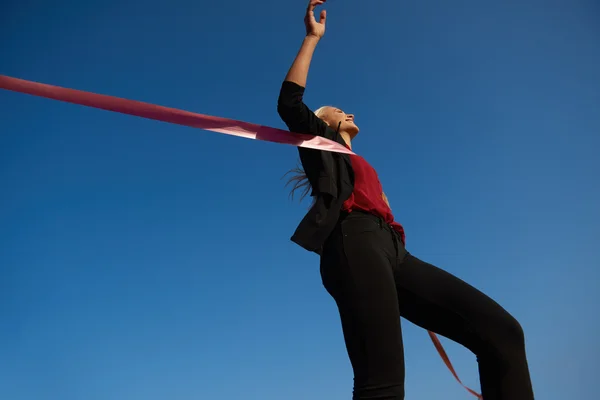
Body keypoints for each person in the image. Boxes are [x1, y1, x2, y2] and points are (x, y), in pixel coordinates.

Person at [276, 1, 535, 399]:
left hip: (394, 252)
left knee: (503, 334)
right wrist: (312, 38)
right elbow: (290, 104)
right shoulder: (319, 145)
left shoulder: (361, 162)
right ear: (321, 122)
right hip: (354, 242)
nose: (347, 111)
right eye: (336, 110)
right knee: (383, 381)